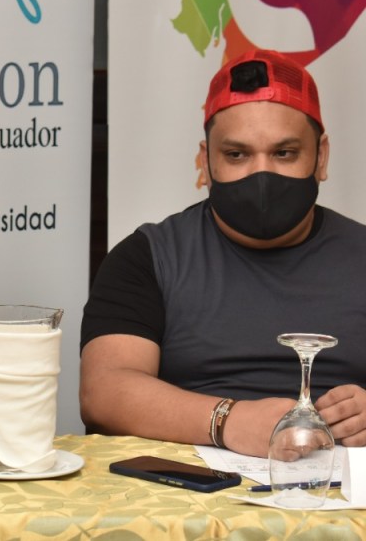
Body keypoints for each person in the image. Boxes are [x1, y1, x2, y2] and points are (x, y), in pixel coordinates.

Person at [80, 49, 366, 457]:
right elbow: (103, 393)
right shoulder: (148, 257)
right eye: (236, 155)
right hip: (186, 486)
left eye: (284, 153)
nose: (261, 174)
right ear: (205, 161)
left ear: (321, 157)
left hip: (339, 486)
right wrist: (228, 421)